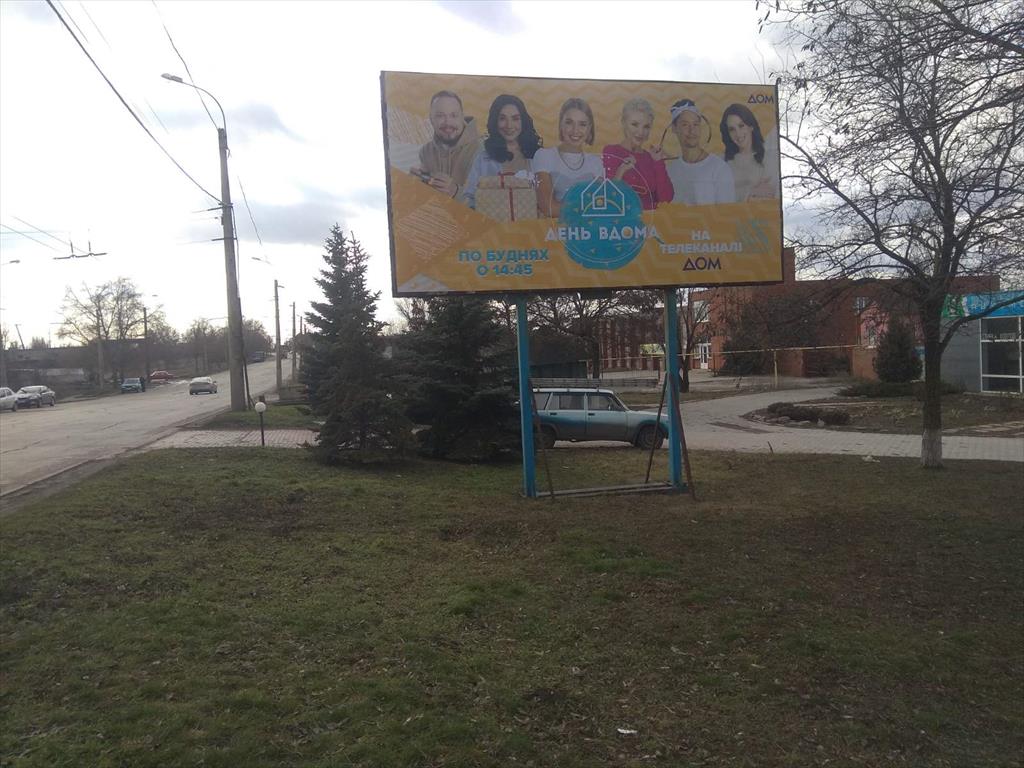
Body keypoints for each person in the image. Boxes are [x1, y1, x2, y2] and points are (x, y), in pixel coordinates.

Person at [463, 94, 542, 209]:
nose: (509, 125)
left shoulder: (539, 156)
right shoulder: (483, 159)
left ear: (523, 121)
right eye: (502, 118)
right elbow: (469, 198)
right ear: (495, 121)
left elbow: (549, 197)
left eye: (515, 118)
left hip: (532, 220)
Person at [533, 98, 604, 217]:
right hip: (555, 228)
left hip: (590, 228)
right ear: (561, 124)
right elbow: (548, 208)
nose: (575, 130)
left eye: (582, 124)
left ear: (589, 128)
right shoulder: (544, 156)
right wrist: (586, 209)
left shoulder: (595, 162)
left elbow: (600, 207)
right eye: (569, 122)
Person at [601, 98, 673, 210]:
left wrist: (658, 163)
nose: (640, 132)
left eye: (646, 127)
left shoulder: (651, 158)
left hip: (651, 218)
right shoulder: (611, 152)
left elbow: (666, 199)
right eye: (635, 124)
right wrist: (621, 171)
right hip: (623, 219)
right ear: (623, 123)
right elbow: (608, 197)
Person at [410, 90, 479, 199]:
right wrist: (415, 186)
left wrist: (456, 192)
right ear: (431, 119)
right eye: (440, 116)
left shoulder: (484, 151)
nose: (448, 122)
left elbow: (493, 202)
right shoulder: (425, 151)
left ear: (462, 117)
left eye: (454, 115)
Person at [666, 99, 735, 205]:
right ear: (674, 128)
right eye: (685, 125)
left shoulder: (719, 169)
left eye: (696, 124)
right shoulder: (670, 171)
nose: (692, 131)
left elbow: (728, 212)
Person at [719, 103, 778, 201]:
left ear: (751, 126)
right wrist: (750, 192)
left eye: (741, 126)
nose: (738, 134)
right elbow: (718, 195)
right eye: (732, 129)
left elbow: (771, 193)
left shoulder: (769, 158)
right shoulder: (722, 162)